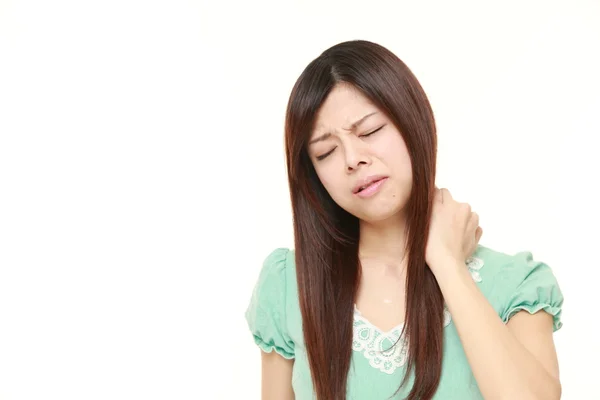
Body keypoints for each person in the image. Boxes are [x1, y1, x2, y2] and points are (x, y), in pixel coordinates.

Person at [244, 40, 564, 400]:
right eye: (326, 152)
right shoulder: (289, 285)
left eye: (369, 132)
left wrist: (448, 265)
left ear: (413, 120)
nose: (352, 159)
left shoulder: (514, 284)